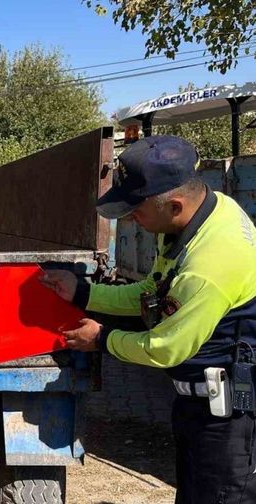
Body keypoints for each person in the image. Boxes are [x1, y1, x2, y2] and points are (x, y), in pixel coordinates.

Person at [40, 136, 256, 504]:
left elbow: (165, 348)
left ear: (174, 204)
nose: (130, 220)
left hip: (228, 420)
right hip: (197, 407)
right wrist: (83, 293)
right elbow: (152, 294)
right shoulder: (197, 218)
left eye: (135, 211)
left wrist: (102, 339)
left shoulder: (208, 267)